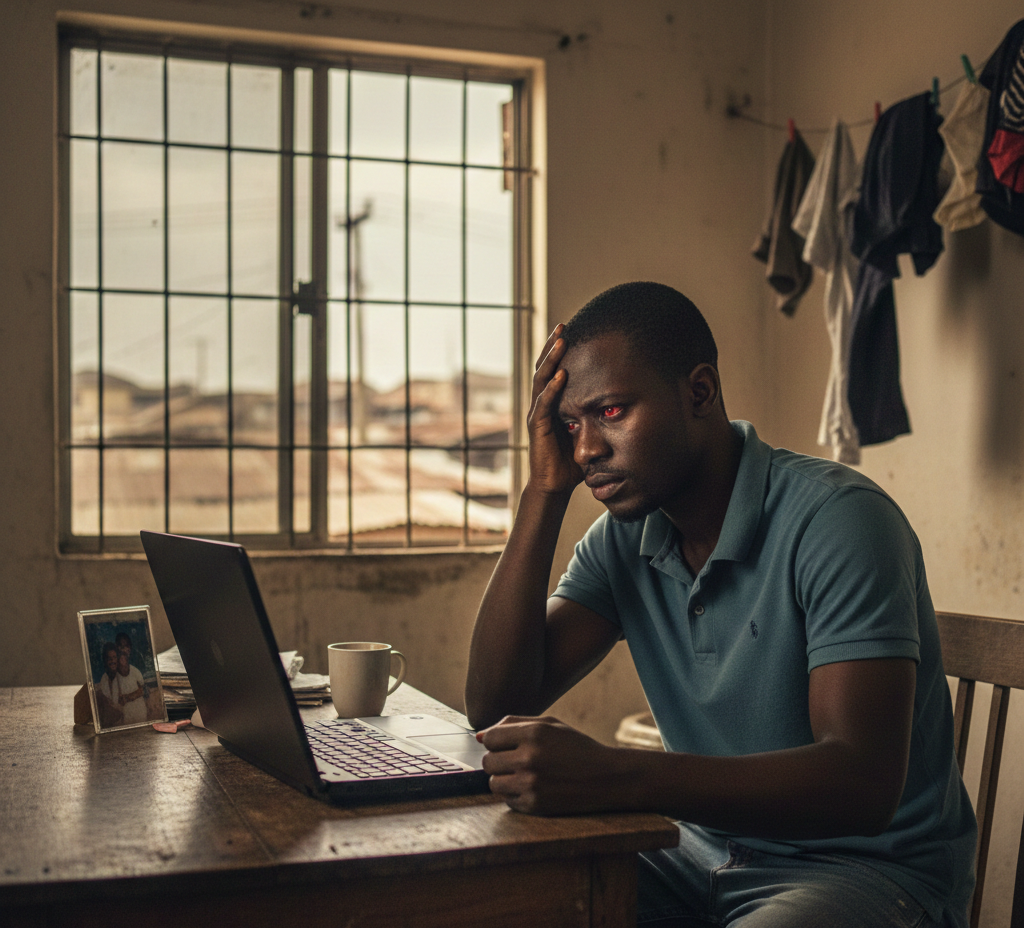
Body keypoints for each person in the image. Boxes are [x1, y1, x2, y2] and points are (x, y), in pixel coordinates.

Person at [465, 282, 977, 927]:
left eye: (613, 412)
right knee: (503, 892)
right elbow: (493, 702)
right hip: (697, 854)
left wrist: (619, 776)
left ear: (699, 391)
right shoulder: (625, 539)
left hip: (867, 874)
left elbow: (862, 786)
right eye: (571, 424)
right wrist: (544, 491)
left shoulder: (839, 520)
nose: (586, 449)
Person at [114, 631, 148, 724]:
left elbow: (144, 690)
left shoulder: (136, 670)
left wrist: (128, 697)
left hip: (141, 716)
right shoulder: (112, 675)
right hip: (125, 719)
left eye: (127, 647)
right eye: (121, 647)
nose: (124, 650)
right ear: (116, 648)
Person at [95, 641, 124, 728]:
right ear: (105, 660)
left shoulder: (123, 676)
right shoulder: (104, 678)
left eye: (114, 658)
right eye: (109, 658)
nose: (112, 661)